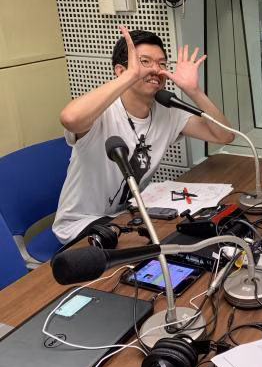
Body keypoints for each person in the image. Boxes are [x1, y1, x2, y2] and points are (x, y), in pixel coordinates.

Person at [52, 26, 234, 244]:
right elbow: (70, 118)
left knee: (191, 238)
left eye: (162, 64)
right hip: (80, 224)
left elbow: (224, 136)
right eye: (145, 62)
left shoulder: (168, 112)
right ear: (121, 71)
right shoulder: (101, 113)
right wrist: (130, 76)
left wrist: (193, 91)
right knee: (158, 247)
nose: (156, 69)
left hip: (127, 215)